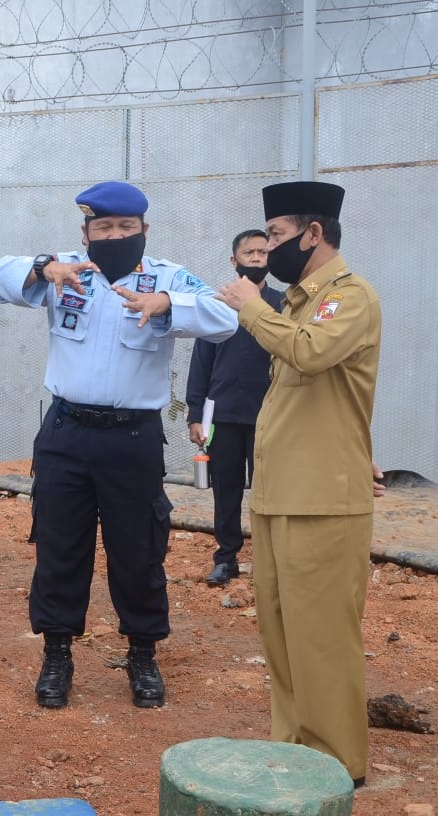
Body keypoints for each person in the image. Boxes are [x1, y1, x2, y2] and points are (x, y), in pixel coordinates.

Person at [0, 181, 237, 710]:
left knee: (139, 547)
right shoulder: (67, 270)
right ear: (86, 232)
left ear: (144, 230)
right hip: (66, 433)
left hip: (132, 436)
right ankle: (57, 652)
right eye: (104, 227)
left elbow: (226, 318)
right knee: (58, 543)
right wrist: (41, 267)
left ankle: (142, 653)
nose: (115, 235)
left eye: (125, 227)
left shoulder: (167, 276)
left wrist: (167, 303)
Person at [216, 181, 381, 787]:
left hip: (323, 498)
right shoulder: (296, 302)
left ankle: (338, 766)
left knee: (323, 637)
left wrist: (251, 305)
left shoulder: (350, 297)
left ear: (314, 235)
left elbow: (311, 355)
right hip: (282, 491)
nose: (270, 249)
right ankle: (296, 746)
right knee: (281, 629)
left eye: (278, 237)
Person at [185, 230, 283, 586]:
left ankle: (269, 561)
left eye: (263, 251)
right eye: (249, 252)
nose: (256, 257)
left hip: (269, 417)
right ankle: (226, 558)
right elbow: (201, 363)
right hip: (222, 415)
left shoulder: (283, 304)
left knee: (267, 491)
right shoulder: (218, 304)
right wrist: (196, 415)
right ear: (234, 260)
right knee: (225, 490)